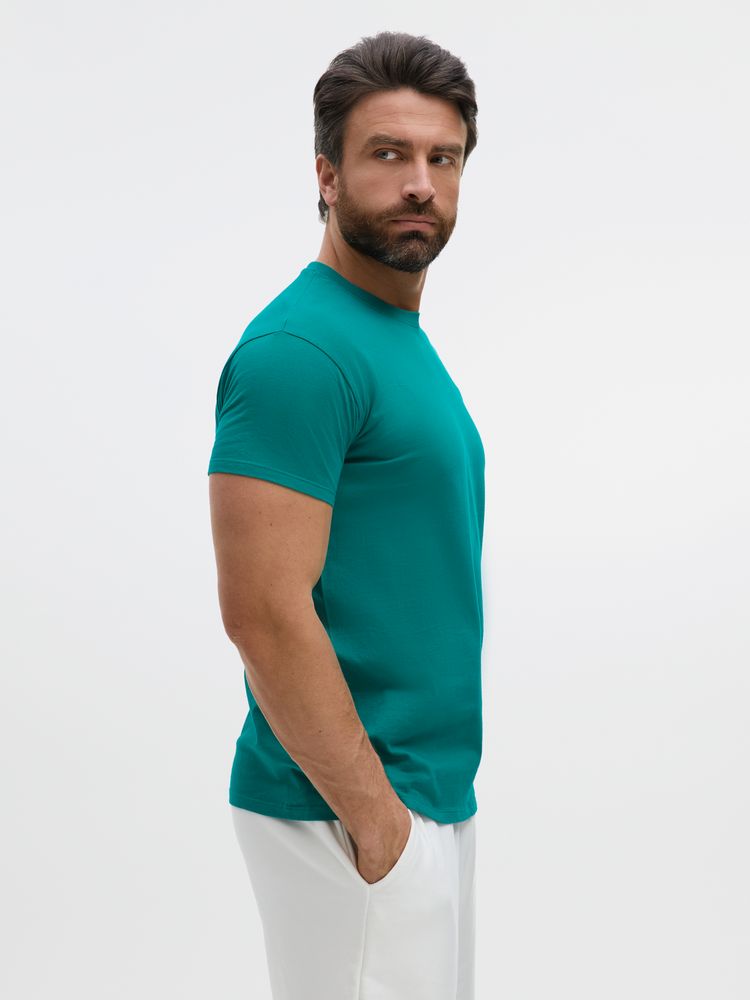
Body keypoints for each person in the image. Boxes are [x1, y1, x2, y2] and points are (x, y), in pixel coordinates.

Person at [208, 30, 484, 1000]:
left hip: (415, 804)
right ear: (326, 174)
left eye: (443, 158)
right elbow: (262, 611)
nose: (420, 183)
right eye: (388, 154)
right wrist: (378, 826)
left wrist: (410, 826)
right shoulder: (300, 351)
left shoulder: (389, 334)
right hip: (348, 815)